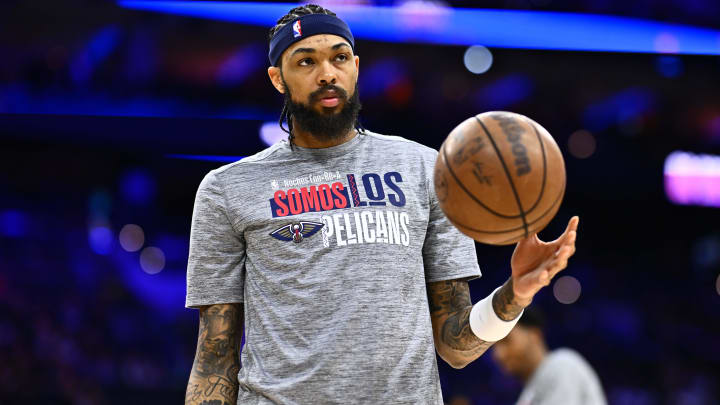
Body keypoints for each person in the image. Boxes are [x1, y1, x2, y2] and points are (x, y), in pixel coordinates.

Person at [184, 4, 579, 405]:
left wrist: (515, 294)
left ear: (355, 66)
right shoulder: (227, 189)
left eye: (339, 58)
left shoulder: (429, 171)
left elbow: (455, 345)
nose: (327, 74)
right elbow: (215, 359)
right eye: (306, 61)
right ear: (277, 79)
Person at [492, 307, 606, 405]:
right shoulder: (527, 394)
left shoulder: (562, 364)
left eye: (506, 341)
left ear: (534, 335)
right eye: (494, 346)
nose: (498, 354)